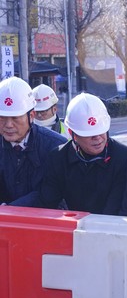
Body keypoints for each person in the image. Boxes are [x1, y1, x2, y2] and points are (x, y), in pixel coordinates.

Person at [39, 93, 127, 214]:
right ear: (72, 133)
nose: (97, 138)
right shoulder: (58, 158)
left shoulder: (123, 157)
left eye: (101, 131)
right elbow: (48, 202)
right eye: (89, 134)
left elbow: (120, 207)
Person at [0, 77, 67, 206]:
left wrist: (11, 209)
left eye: (15, 118)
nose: (8, 125)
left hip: (44, 222)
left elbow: (51, 194)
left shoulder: (56, 146)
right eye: (2, 118)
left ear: (31, 116)